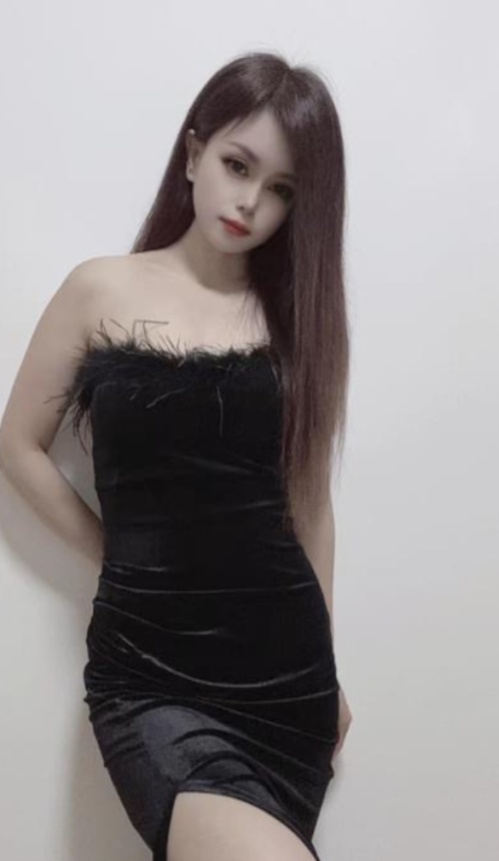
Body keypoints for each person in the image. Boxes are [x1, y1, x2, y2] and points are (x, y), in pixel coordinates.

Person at [0, 50, 352, 861]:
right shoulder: (99, 290)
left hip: (284, 678)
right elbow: (17, 445)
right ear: (193, 153)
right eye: (237, 165)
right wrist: (116, 555)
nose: (250, 201)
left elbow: (308, 503)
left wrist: (327, 666)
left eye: (281, 189)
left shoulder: (292, 321)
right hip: (150, 671)